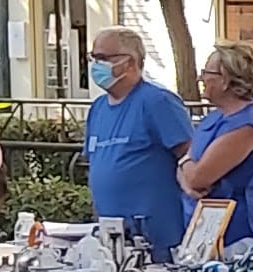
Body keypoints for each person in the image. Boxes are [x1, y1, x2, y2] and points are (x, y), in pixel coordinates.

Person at [80, 26, 194, 253]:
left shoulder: (158, 102)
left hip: (156, 237)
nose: (95, 65)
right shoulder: (98, 109)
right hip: (111, 237)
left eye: (103, 58)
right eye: (93, 58)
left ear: (130, 62)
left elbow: (189, 156)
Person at [177, 43, 253, 244]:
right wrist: (186, 175)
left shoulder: (249, 126)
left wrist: (185, 167)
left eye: (206, 72)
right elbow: (188, 170)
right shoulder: (215, 118)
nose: (200, 78)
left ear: (225, 81)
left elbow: (198, 178)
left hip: (240, 235)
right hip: (206, 230)